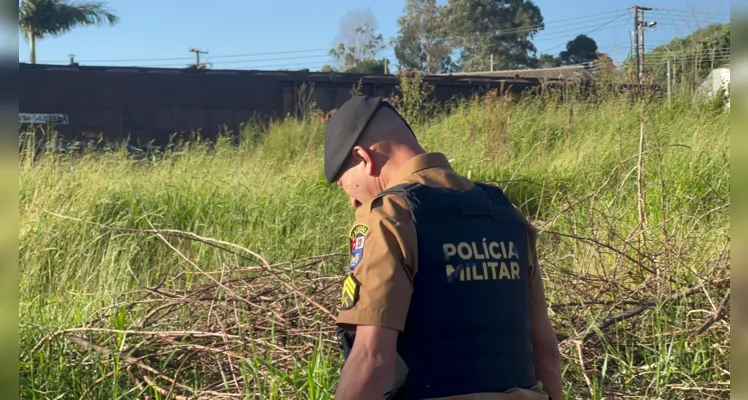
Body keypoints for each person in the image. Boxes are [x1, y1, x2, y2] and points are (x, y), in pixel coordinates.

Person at [323, 95, 562, 400]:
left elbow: (372, 359)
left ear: (363, 158)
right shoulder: (504, 212)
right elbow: (544, 347)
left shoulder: (389, 216)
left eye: (347, 185)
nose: (354, 201)